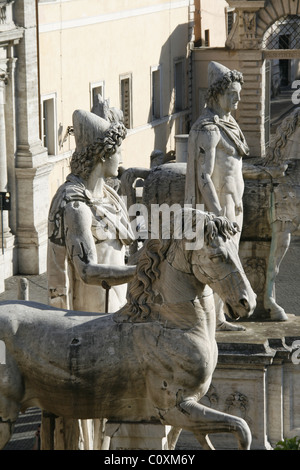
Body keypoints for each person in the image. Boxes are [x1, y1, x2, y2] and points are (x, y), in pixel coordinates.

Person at [44, 106, 136, 450]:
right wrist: (143, 274)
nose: (122, 159)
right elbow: (87, 270)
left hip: (118, 314)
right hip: (87, 323)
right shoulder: (75, 205)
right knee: (90, 414)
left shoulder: (109, 197)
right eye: (118, 151)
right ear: (102, 154)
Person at [185, 61, 250, 331]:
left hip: (234, 204)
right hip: (220, 207)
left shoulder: (229, 123)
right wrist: (218, 216)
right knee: (220, 261)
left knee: (230, 261)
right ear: (216, 93)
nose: (237, 99)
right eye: (232, 94)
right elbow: (204, 176)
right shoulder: (208, 129)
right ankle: (218, 320)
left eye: (238, 93)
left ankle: (222, 315)